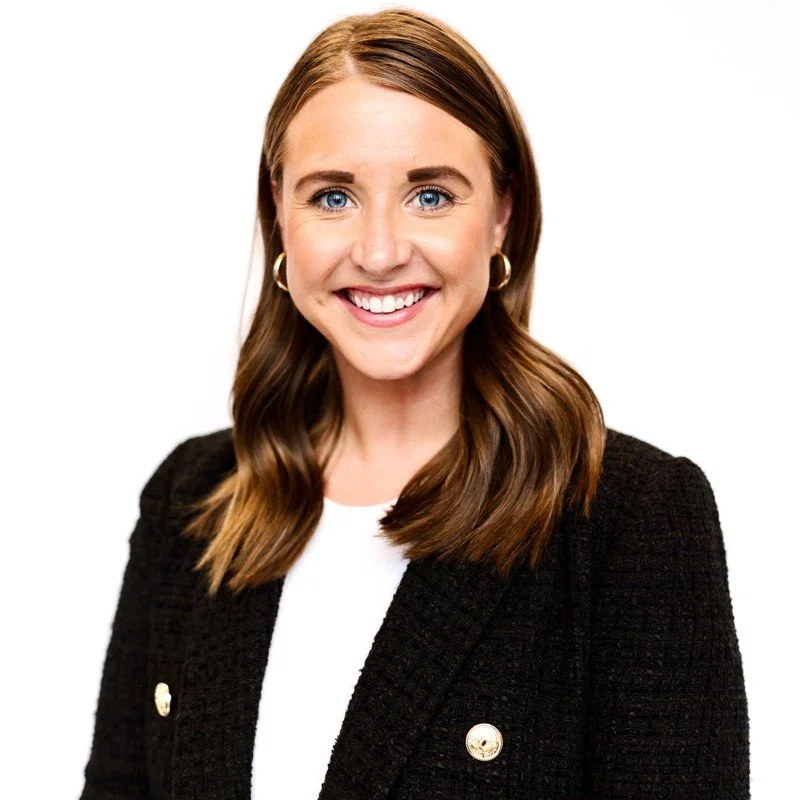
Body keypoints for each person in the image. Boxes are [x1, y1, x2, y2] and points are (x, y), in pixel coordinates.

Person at [79, 8, 749, 799]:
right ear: (279, 214)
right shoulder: (191, 501)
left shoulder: (628, 518)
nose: (380, 251)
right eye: (333, 197)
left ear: (502, 214)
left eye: (430, 195)